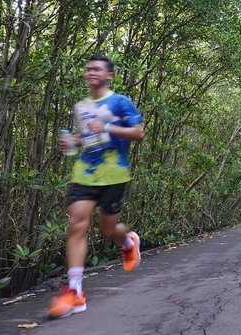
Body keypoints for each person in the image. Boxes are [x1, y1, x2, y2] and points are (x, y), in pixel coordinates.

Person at [48, 54, 145, 319]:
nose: (90, 72)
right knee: (77, 223)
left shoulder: (120, 101)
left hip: (114, 174)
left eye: (96, 69)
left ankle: (127, 240)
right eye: (88, 68)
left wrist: (109, 126)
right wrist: (74, 142)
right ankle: (75, 291)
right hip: (85, 174)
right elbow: (90, 137)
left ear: (109, 75)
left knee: (107, 230)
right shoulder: (81, 107)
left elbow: (138, 133)